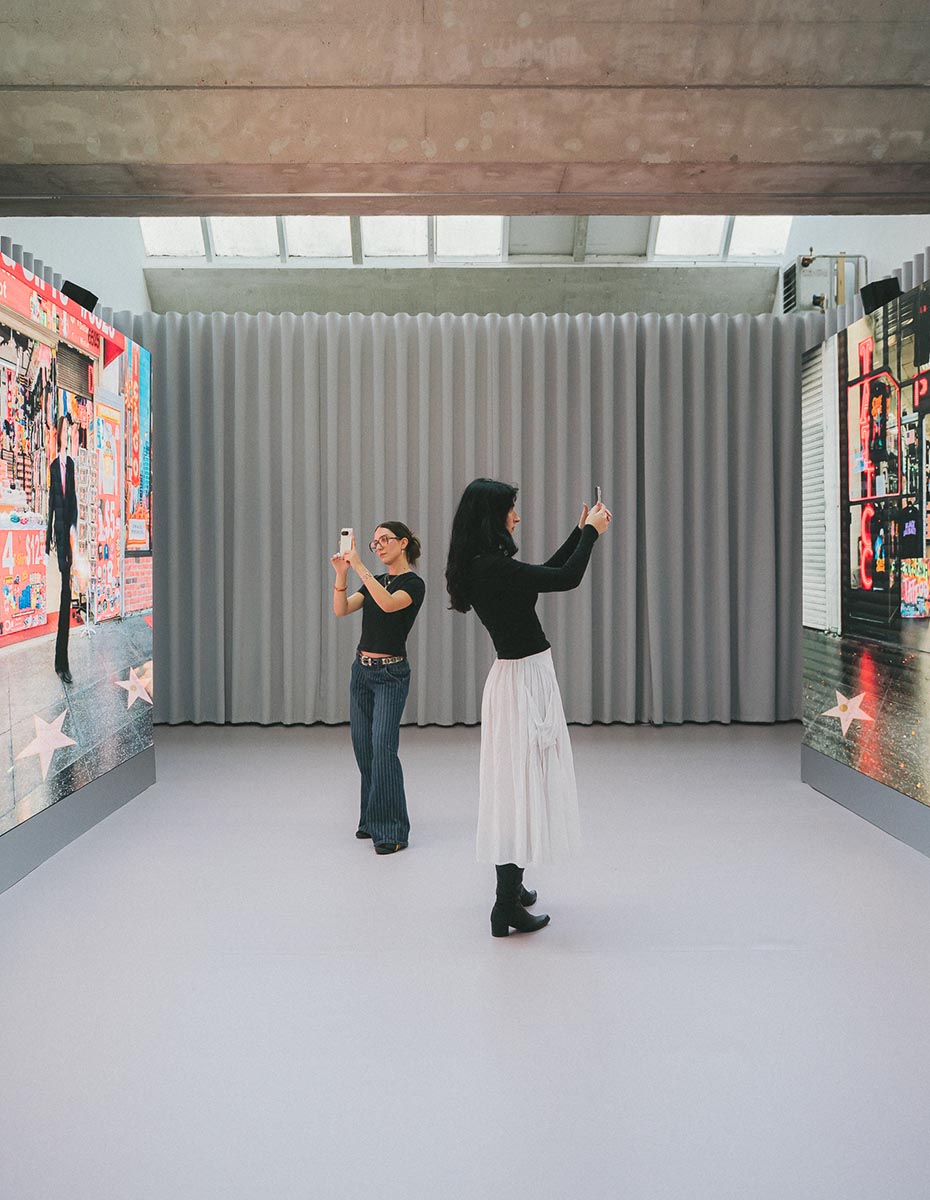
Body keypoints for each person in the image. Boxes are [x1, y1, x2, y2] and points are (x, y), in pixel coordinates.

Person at [446, 479, 610, 937]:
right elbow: (566, 578)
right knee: (519, 786)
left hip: (520, 679)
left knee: (518, 783)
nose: (517, 517)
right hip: (522, 683)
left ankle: (511, 889)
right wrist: (593, 533)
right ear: (492, 517)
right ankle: (504, 907)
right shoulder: (492, 568)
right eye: (511, 510)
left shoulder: (488, 566)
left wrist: (579, 534)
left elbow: (540, 576)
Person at [332, 521, 425, 855]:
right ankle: (372, 820)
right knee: (364, 747)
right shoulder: (377, 580)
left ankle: (393, 830)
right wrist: (342, 573)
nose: (379, 546)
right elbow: (341, 609)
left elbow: (387, 604)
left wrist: (358, 565)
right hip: (362, 672)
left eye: (384, 540)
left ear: (403, 543)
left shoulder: (413, 584)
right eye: (374, 543)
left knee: (383, 746)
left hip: (390, 675)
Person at [45, 414, 78, 685]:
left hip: (70, 538)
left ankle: (61, 661)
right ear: (58, 435)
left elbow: (74, 501)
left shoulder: (73, 465)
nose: (66, 435)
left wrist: (76, 533)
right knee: (65, 596)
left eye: (69, 430)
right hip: (59, 538)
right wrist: (48, 539)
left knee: (66, 596)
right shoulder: (54, 466)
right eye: (64, 430)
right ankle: (61, 662)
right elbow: (50, 503)